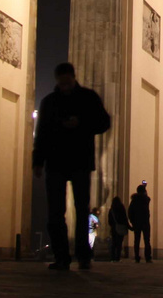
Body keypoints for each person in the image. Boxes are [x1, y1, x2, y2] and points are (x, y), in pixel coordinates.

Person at [33, 62, 111, 271]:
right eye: (62, 82)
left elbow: (104, 122)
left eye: (67, 82)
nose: (65, 86)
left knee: (81, 211)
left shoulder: (88, 97)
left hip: (80, 163)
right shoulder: (48, 102)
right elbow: (41, 134)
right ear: (57, 80)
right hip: (56, 163)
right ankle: (61, 257)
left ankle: (83, 255)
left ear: (73, 78)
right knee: (55, 213)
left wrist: (82, 122)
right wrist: (37, 162)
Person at [128, 182, 153, 262]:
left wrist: (132, 221)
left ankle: (137, 257)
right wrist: (145, 189)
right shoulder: (145, 199)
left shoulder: (134, 200)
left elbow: (130, 211)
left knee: (137, 240)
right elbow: (148, 198)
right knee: (147, 241)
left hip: (137, 222)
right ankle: (148, 257)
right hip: (145, 222)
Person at [107, 196, 129, 262]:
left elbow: (109, 220)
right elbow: (124, 218)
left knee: (114, 243)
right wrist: (128, 226)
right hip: (121, 227)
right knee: (119, 243)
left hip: (114, 228)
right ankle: (117, 257)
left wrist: (112, 225)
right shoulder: (121, 208)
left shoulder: (112, 209)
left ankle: (112, 257)